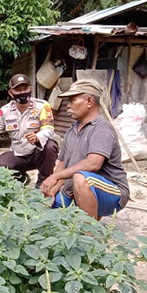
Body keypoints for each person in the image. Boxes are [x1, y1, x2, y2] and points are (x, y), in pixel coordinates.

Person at [39, 79, 129, 219]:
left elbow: (93, 164)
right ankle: (82, 215)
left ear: (89, 101)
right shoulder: (71, 130)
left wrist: (55, 176)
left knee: (82, 179)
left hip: (113, 192)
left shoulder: (102, 128)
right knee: (38, 206)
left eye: (72, 100)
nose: (68, 106)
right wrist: (53, 188)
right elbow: (63, 164)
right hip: (75, 189)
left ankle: (89, 235)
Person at [0, 73, 59, 186]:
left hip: (37, 154)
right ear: (11, 93)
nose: (22, 92)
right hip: (18, 154)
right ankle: (20, 179)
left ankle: (43, 183)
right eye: (18, 90)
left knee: (50, 146)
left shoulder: (42, 106)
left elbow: (49, 129)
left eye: (25, 88)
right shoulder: (5, 111)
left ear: (31, 88)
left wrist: (37, 137)